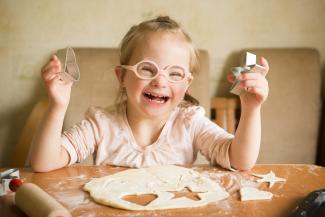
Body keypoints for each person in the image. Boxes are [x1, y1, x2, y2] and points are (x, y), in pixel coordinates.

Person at [30, 16, 269, 172]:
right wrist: (57, 106)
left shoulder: (190, 123)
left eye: (174, 74)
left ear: (187, 84)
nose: (160, 81)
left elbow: (239, 161)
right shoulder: (101, 124)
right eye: (147, 69)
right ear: (122, 77)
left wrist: (251, 110)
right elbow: (44, 163)